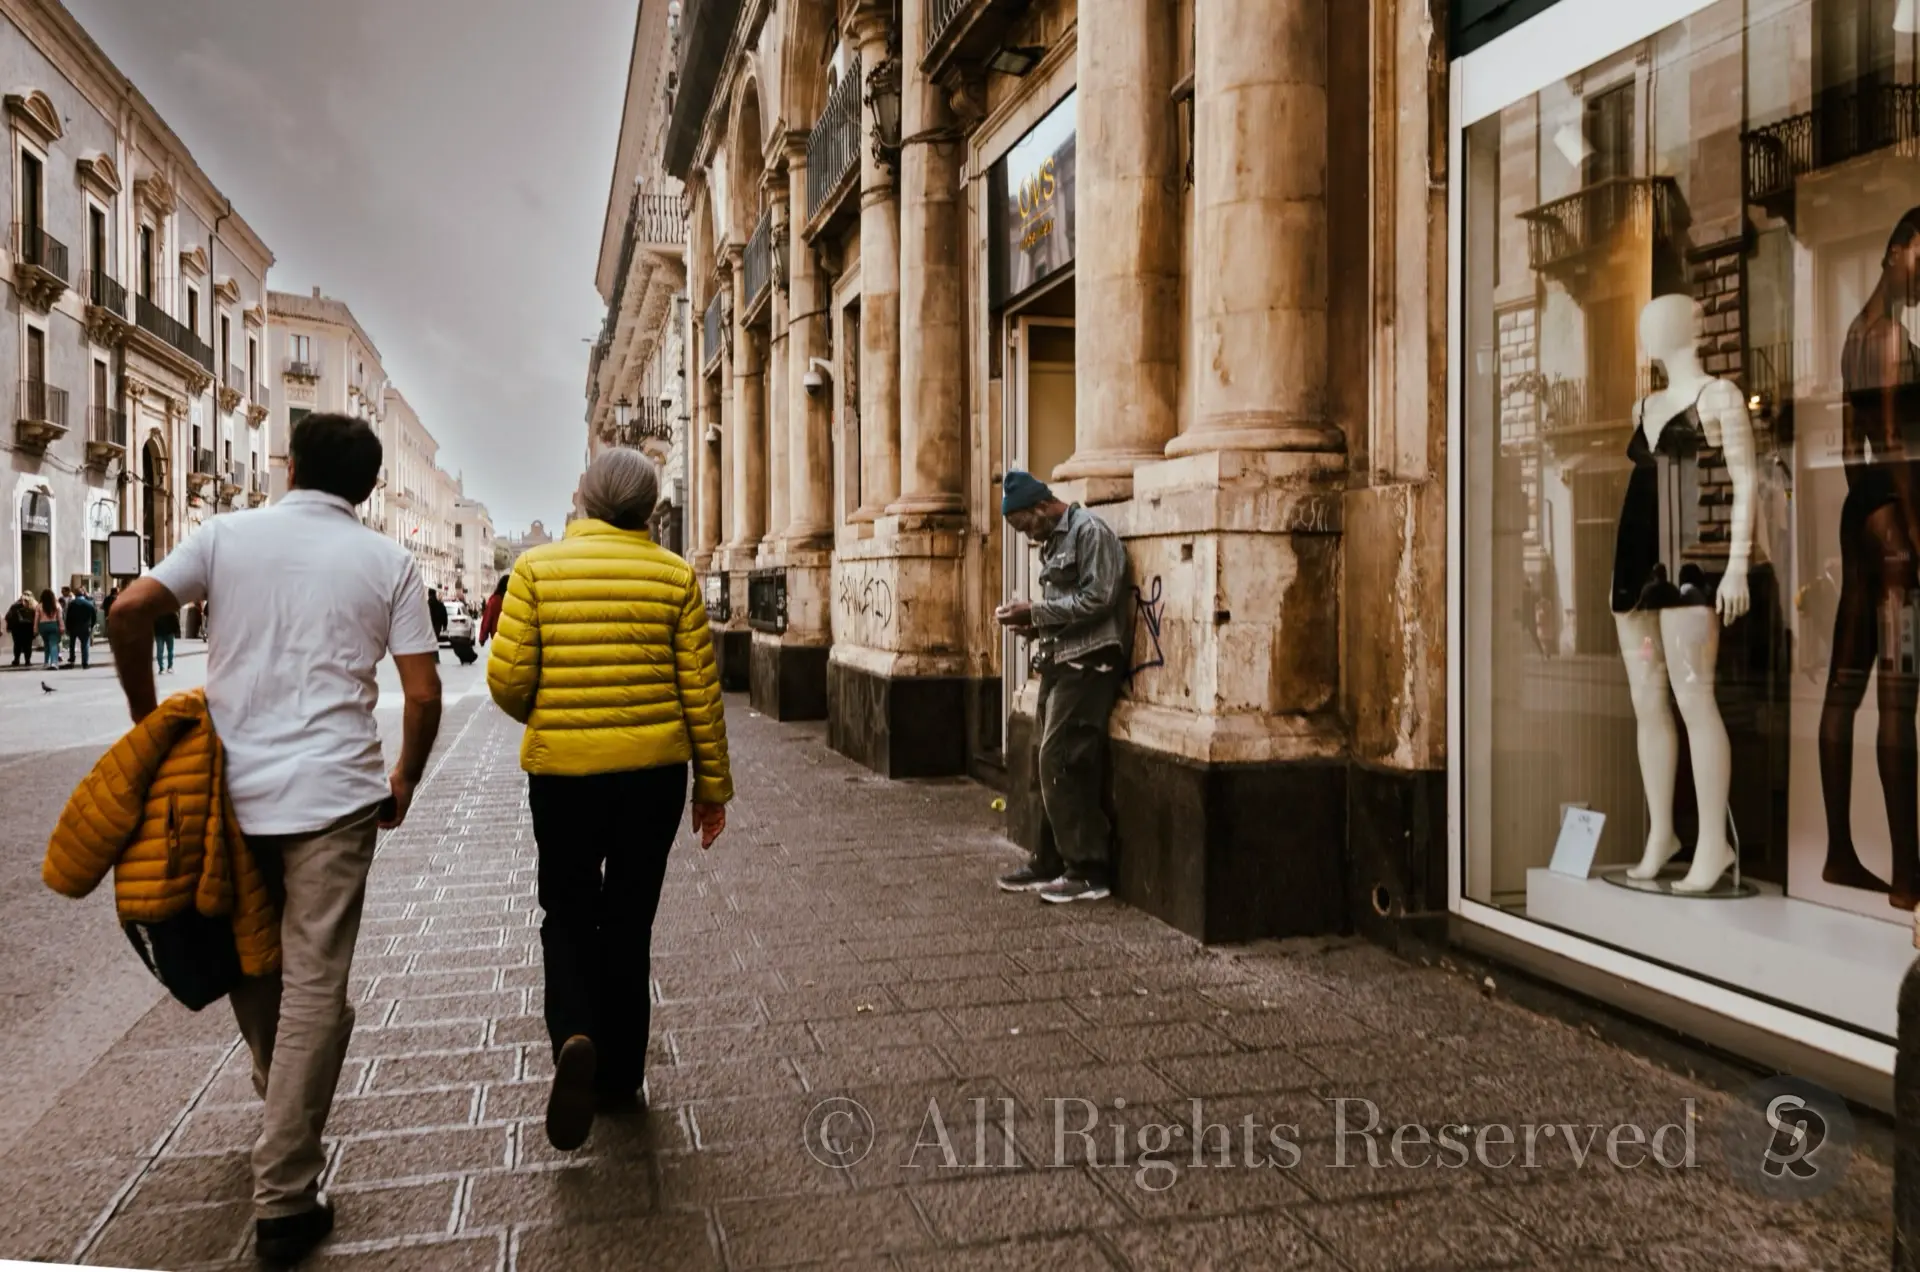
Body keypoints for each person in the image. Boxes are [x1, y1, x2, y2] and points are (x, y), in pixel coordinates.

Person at [107, 412, 443, 1266]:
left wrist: (148, 726)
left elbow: (129, 609)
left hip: (230, 793)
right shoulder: (388, 561)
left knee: (257, 961)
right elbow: (425, 690)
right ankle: (287, 1191)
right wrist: (404, 774)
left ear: (289, 467)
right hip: (335, 798)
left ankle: (279, 1087)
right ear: (368, 488)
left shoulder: (226, 533)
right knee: (317, 989)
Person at [488, 448, 732, 1152]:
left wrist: (556, 709)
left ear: (587, 502)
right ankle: (622, 1076)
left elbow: (506, 684)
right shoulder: (675, 576)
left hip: (563, 777)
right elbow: (700, 693)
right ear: (650, 509)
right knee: (629, 920)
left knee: (565, 910)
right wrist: (712, 787)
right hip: (652, 779)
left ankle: (575, 1034)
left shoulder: (536, 570)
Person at [993, 471, 1128, 904]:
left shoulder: (1091, 532)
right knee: (1042, 760)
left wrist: (1035, 610)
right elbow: (1064, 611)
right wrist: (1031, 625)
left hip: (1090, 662)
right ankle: (1048, 860)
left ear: (1039, 507)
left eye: (1022, 525)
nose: (1024, 535)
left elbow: (1100, 597)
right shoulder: (1053, 541)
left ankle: (1088, 868)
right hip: (1059, 660)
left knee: (1063, 757)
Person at [64, 588, 98, 670]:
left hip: (73, 626)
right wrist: (91, 625)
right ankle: (85, 662)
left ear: (75, 595)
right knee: (85, 644)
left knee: (72, 644)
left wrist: (67, 627)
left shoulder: (72, 604)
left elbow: (68, 616)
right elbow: (94, 616)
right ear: (83, 594)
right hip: (85, 627)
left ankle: (72, 659)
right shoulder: (89, 604)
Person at [478, 574, 508, 646]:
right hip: (515, 639)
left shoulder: (494, 600)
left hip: (498, 639)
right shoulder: (517, 601)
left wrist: (482, 637)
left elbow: (487, 620)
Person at [7, 592, 34, 667]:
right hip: (28, 628)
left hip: (17, 628)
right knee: (28, 645)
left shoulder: (14, 607)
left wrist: (9, 627)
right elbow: (35, 618)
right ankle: (27, 661)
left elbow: (8, 617)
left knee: (17, 645)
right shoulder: (31, 607)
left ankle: (16, 660)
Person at [36, 589, 61, 669]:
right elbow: (60, 618)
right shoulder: (56, 605)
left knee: (46, 644)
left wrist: (35, 628)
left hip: (43, 626)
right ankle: (54, 662)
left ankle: (46, 662)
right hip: (53, 625)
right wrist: (62, 626)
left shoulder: (39, 606)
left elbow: (36, 618)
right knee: (53, 643)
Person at [153, 606, 180, 674]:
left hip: (159, 633)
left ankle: (161, 668)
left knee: (160, 651)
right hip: (169, 633)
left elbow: (152, 622)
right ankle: (170, 667)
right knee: (170, 650)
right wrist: (176, 631)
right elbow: (175, 620)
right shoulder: (170, 609)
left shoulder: (156, 610)